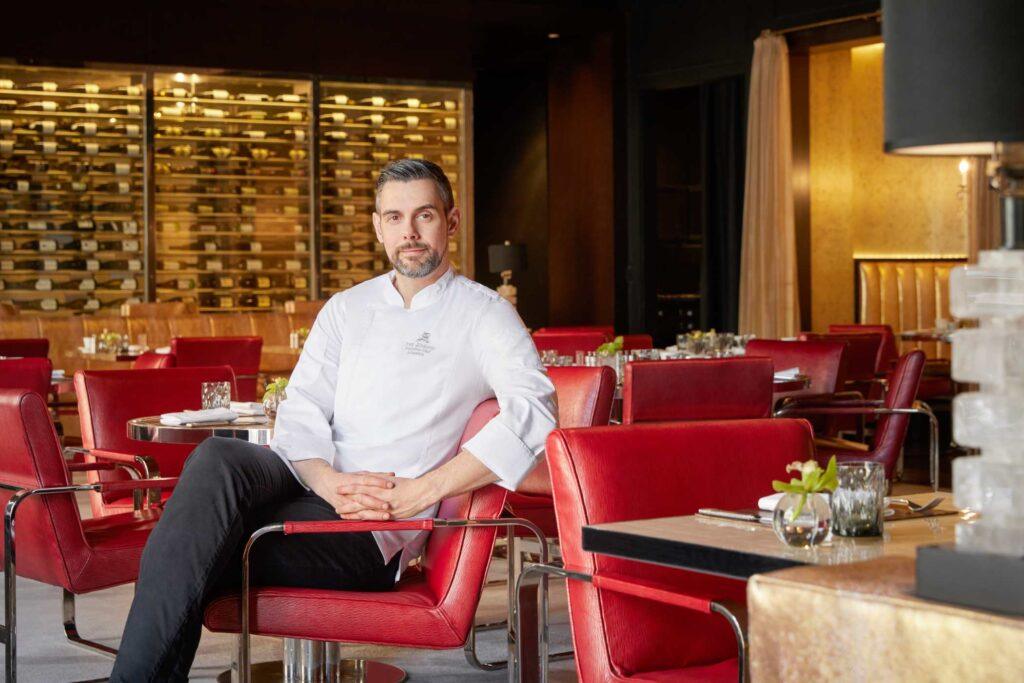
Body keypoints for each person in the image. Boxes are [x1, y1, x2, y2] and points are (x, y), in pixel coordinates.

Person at [109, 158, 558, 681]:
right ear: (377, 226)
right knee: (216, 457)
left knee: (185, 545)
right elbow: (301, 409)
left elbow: (534, 408)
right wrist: (329, 480)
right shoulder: (348, 308)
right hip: (316, 482)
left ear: (451, 222)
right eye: (394, 218)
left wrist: (421, 491)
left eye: (424, 216)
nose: (408, 233)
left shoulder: (485, 314)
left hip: (373, 527)